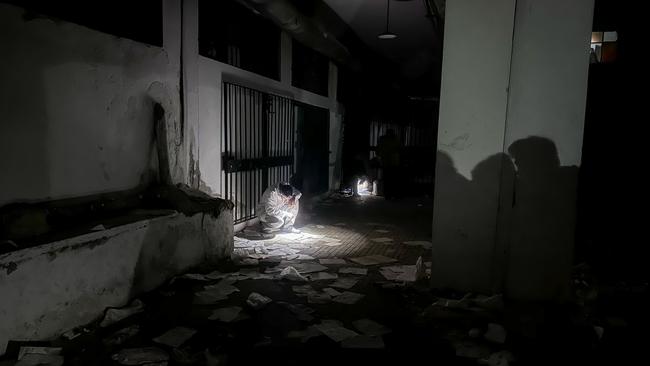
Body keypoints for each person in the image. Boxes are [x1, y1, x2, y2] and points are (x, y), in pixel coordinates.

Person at [376, 129, 401, 199]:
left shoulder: (382, 140)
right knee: (393, 179)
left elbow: (378, 151)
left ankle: (388, 195)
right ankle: (393, 194)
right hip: (393, 162)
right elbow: (399, 149)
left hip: (386, 162)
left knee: (387, 179)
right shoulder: (395, 139)